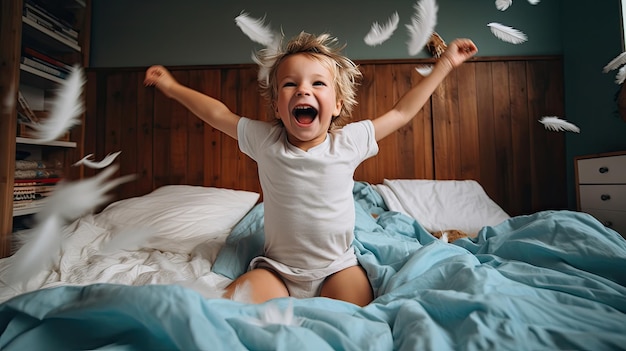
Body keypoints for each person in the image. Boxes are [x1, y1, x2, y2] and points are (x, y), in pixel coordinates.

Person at [144, 32, 477, 307]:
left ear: (337, 105)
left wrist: (445, 62)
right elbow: (217, 114)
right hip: (277, 271)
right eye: (290, 84)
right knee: (229, 308)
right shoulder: (265, 141)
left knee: (358, 319)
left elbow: (402, 113)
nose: (303, 89)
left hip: (338, 268)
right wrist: (170, 86)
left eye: (318, 84)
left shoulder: (349, 142)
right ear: (277, 104)